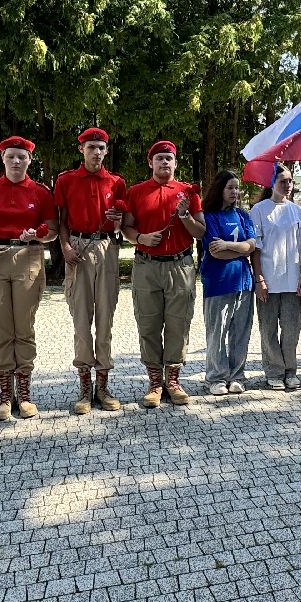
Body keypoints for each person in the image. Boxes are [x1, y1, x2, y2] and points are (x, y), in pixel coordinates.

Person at [0, 137, 58, 421]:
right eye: (11, 156)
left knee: (24, 326)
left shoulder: (41, 192)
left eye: (22, 157)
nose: (16, 161)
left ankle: (26, 394)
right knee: (1, 327)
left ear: (30, 160)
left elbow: (53, 231)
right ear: (3, 159)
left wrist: (39, 234)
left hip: (27, 257)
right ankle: (5, 396)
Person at [122, 141, 205, 406]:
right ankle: (155, 382)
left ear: (175, 163)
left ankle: (173, 380)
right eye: (159, 158)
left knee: (178, 323)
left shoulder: (187, 193)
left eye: (169, 159)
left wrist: (184, 217)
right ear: (150, 163)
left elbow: (200, 232)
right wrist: (141, 238)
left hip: (180, 265)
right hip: (147, 265)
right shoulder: (136, 192)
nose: (164, 163)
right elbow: (127, 229)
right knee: (148, 323)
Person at [54, 127, 128, 414]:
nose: (96, 152)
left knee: (106, 317)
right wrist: (65, 247)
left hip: (107, 247)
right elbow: (60, 220)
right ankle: (84, 387)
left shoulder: (116, 182)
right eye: (91, 147)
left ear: (106, 150)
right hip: (78, 246)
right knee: (81, 318)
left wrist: (119, 220)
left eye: (101, 147)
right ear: (81, 150)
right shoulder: (66, 180)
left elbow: (124, 222)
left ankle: (103, 385)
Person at [249, 164, 301, 391]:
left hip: (292, 280)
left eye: (290, 181)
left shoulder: (297, 211)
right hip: (268, 279)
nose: (287, 185)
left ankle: (290, 370)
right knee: (268, 328)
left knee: (292, 326)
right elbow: (256, 248)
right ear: (272, 183)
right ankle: (274, 371)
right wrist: (260, 279)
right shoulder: (259, 210)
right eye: (283, 181)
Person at [199, 170, 258, 395]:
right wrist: (240, 249)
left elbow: (251, 245)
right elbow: (216, 253)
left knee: (240, 333)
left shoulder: (243, 215)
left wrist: (230, 246)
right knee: (217, 333)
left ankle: (237, 376)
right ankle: (215, 377)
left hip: (243, 282)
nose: (235, 192)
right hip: (218, 283)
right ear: (220, 190)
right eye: (230, 187)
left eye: (237, 188)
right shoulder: (210, 216)